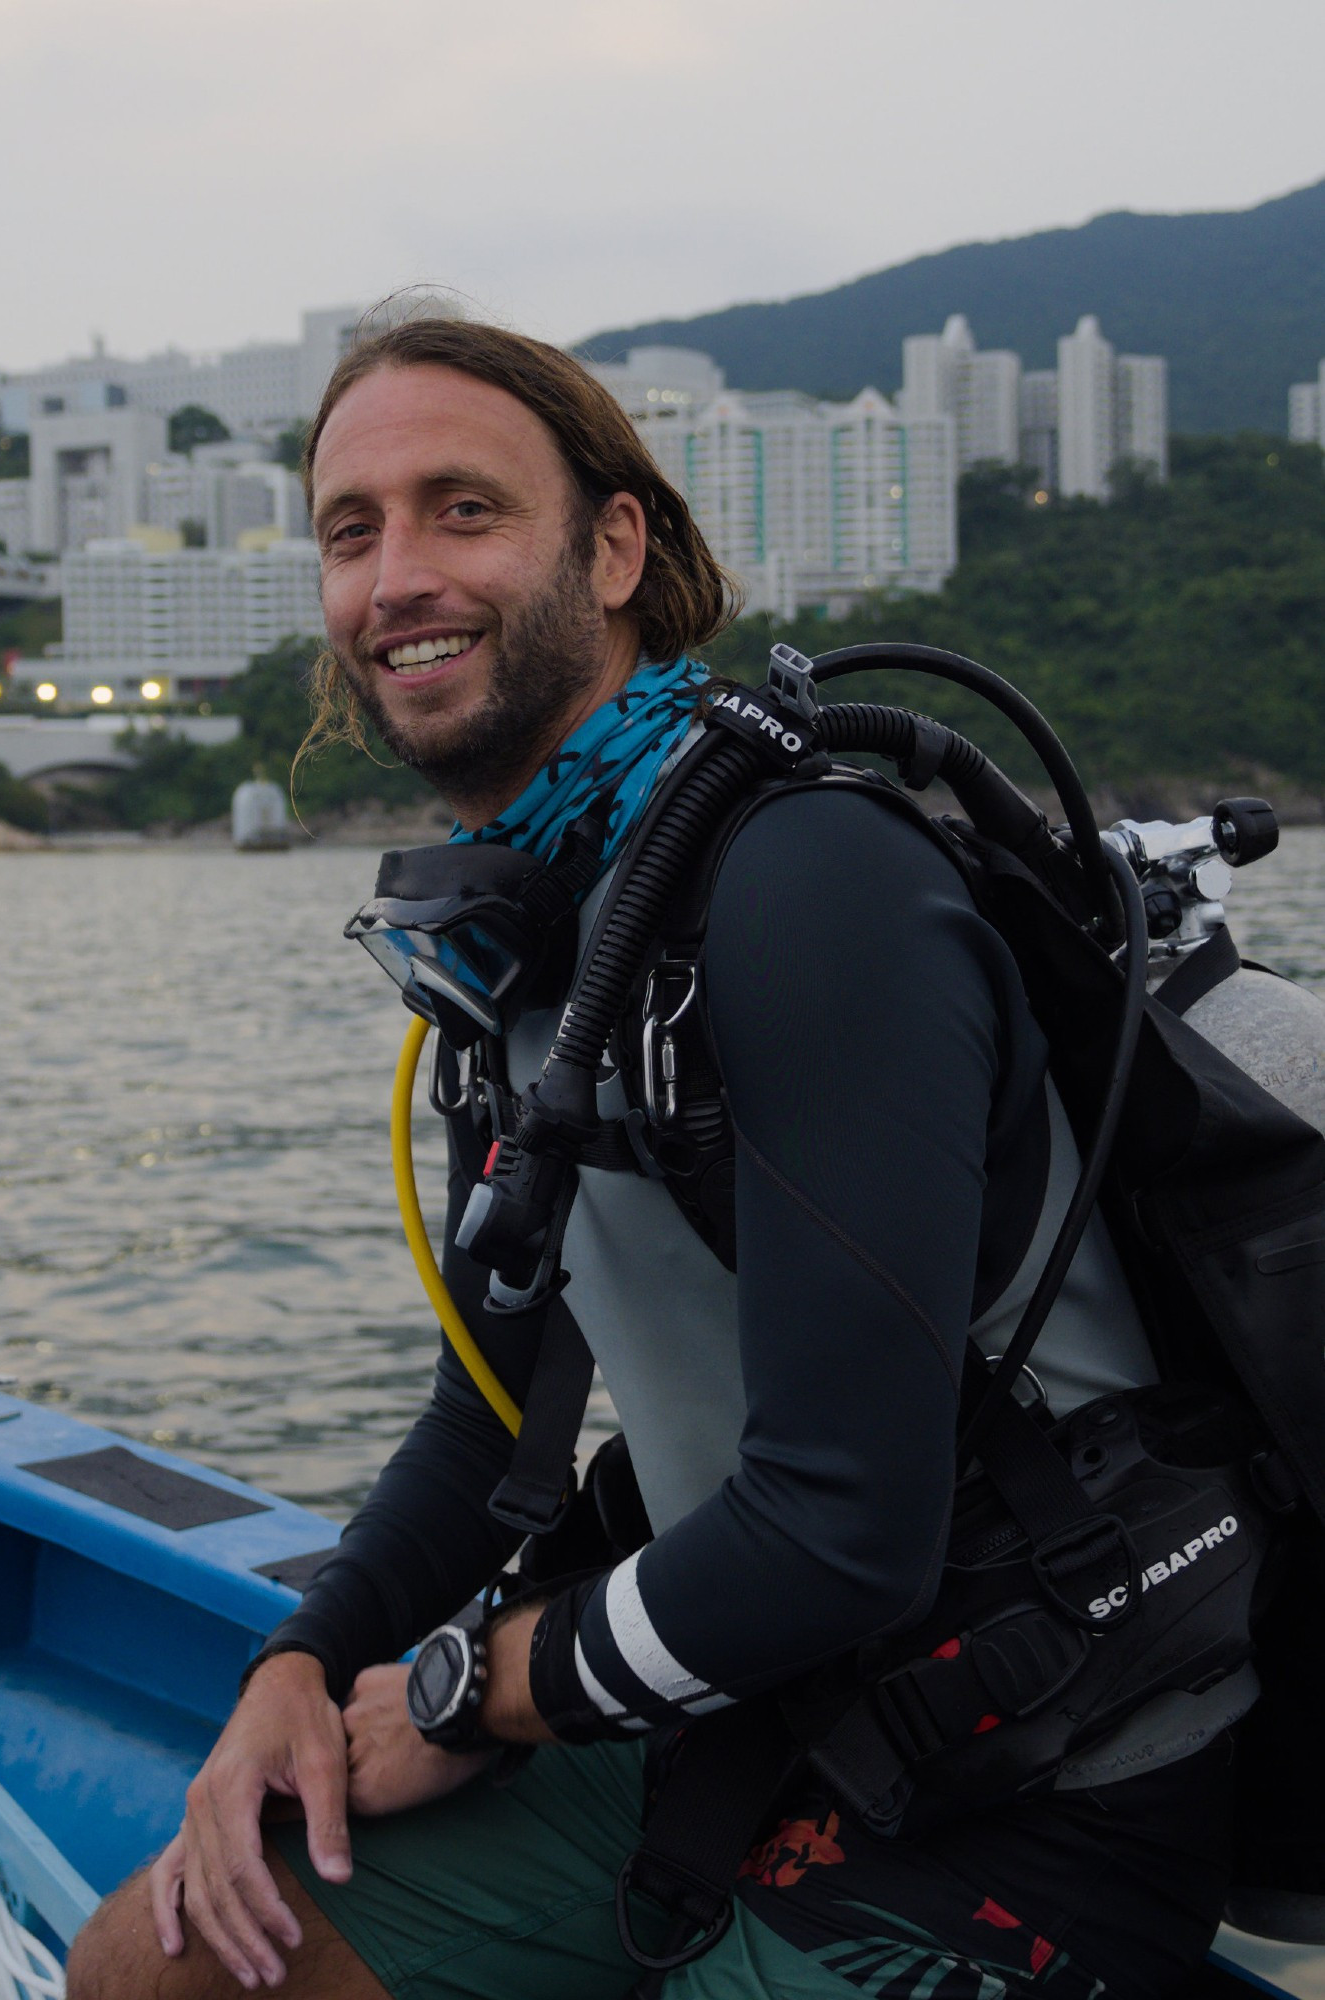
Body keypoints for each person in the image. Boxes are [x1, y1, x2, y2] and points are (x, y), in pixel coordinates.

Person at [67, 319, 1236, 2000]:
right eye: (351, 529)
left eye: (461, 509)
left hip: (1048, 1758)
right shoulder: (531, 932)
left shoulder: (807, 881)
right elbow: (493, 1413)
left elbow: (847, 1532)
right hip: (752, 1703)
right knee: (155, 1965)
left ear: (615, 548)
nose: (396, 575)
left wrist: (472, 1688)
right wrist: (304, 1664)